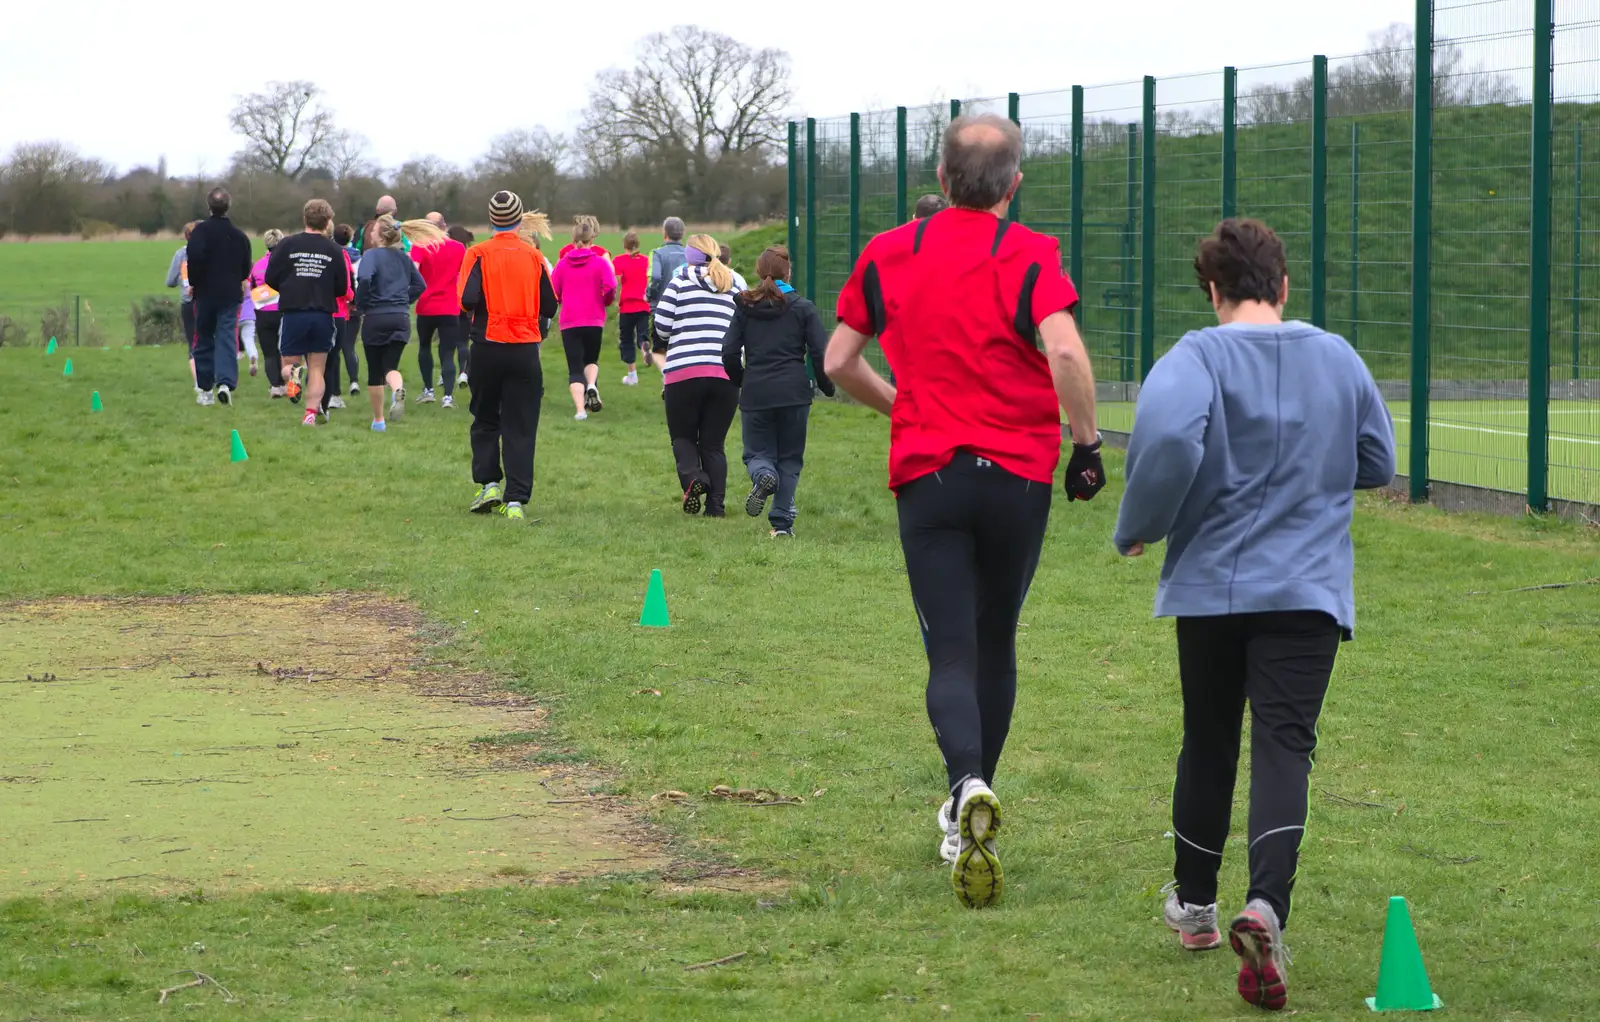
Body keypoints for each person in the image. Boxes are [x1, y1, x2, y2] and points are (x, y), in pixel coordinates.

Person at [1113, 218, 1396, 1012]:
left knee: (1208, 740)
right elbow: (1378, 459)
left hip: (1211, 588)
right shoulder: (1337, 356)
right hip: (1305, 591)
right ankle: (1265, 906)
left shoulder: (1197, 355)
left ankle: (1197, 909)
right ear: (1283, 285)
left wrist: (1140, 525)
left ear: (1212, 290)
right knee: (1284, 746)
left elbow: (1167, 438)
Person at [824, 114, 1104, 909]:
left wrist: (900, 406)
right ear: (1014, 186)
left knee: (950, 651)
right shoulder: (1028, 254)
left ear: (941, 180)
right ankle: (973, 796)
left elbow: (838, 359)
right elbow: (1067, 352)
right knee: (996, 642)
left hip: (931, 476)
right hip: (1015, 476)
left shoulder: (890, 251)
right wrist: (1085, 445)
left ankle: (964, 789)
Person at [458, 191, 557, 523]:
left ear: (491, 220)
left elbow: (467, 299)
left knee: (485, 418)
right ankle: (516, 500)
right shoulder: (534, 256)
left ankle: (488, 485)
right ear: (519, 220)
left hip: (487, 345)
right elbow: (550, 306)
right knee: (521, 424)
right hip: (525, 349)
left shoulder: (478, 253)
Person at [722, 245, 833, 537]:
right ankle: (781, 524)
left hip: (756, 391)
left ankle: (763, 475)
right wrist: (825, 385)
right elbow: (821, 353)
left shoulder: (745, 307)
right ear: (788, 272)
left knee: (756, 452)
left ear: (759, 274)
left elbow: (729, 352)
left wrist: (743, 380)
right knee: (790, 458)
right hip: (794, 392)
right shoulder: (803, 308)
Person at [654, 234, 740, 516]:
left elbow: (662, 327)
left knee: (682, 436)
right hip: (725, 373)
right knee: (714, 444)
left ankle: (694, 478)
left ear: (689, 256)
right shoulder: (735, 281)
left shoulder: (680, 281)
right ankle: (716, 507)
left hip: (684, 372)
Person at [265, 199, 351, 426]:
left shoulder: (287, 245)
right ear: (327, 222)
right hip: (323, 314)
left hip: (294, 312)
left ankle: (293, 374)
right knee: (317, 368)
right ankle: (310, 414)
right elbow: (342, 288)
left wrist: (289, 287)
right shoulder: (334, 250)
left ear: (304, 218)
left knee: (289, 364)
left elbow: (269, 277)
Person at [357, 215, 427, 431]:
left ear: (380, 235)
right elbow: (420, 285)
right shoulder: (404, 258)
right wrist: (405, 301)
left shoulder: (371, 256)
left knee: (374, 372)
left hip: (376, 317)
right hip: (400, 317)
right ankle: (397, 388)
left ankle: (378, 421)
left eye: (373, 230)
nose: (370, 233)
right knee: (390, 367)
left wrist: (362, 304)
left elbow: (365, 279)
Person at [185, 188, 253, 406]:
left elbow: (193, 259)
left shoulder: (200, 232)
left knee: (203, 337)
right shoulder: (240, 236)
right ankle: (225, 382)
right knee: (226, 336)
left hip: (205, 293)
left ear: (209, 207)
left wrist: (194, 283)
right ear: (228, 207)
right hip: (230, 294)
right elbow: (245, 269)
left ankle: (205, 389)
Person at [551, 216, 617, 420]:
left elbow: (554, 289)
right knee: (591, 359)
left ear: (573, 240)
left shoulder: (562, 264)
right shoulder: (599, 262)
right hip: (594, 318)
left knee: (574, 367)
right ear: (591, 240)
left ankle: (580, 410)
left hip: (570, 320)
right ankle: (591, 386)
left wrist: (562, 299)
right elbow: (611, 285)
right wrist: (605, 300)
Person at [414, 211, 470, 409]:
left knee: (424, 347)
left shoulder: (420, 247)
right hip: (449, 307)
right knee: (447, 352)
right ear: (444, 226)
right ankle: (447, 396)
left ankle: (428, 390)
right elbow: (465, 275)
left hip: (426, 306)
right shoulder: (458, 248)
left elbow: (413, 271)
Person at [324, 223, 362, 408]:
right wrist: (352, 300)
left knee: (318, 353)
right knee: (335, 353)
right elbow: (349, 281)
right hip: (338, 309)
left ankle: (317, 391)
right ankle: (334, 395)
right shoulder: (343, 255)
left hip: (317, 307)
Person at [248, 230, 287, 398]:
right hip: (283, 311)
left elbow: (252, 289)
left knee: (269, 352)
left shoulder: (257, 266)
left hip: (263, 313)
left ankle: (275, 386)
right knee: (286, 351)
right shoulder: (286, 264)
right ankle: (289, 385)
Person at [165, 221, 201, 395]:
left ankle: (198, 382)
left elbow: (170, 281)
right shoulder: (210, 253)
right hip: (208, 300)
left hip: (188, 302)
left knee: (193, 342)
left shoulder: (181, 255)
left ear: (186, 237)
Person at [613, 230, 652, 382]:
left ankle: (632, 376)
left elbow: (614, 280)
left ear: (625, 245)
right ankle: (644, 348)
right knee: (642, 335)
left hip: (627, 306)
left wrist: (616, 299)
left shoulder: (619, 260)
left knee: (627, 340)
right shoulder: (646, 261)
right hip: (643, 304)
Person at [448, 224, 476, 386]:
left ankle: (447, 373)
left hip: (448, 303)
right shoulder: (468, 255)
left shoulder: (447, 253)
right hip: (465, 302)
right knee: (464, 341)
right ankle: (464, 373)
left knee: (449, 342)